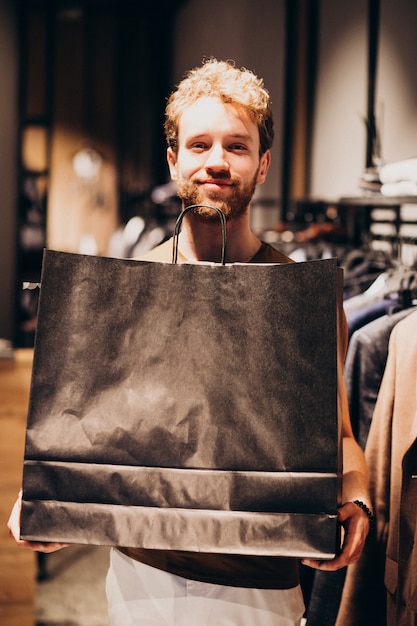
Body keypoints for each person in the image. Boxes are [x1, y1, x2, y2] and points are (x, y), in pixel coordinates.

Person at [8, 58, 372, 626]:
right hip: (139, 578)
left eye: (237, 146)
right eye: (199, 145)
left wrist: (358, 495)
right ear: (174, 159)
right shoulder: (125, 290)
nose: (217, 162)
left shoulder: (299, 296)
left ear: (264, 163)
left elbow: (342, 436)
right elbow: (87, 434)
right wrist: (45, 495)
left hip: (259, 587)